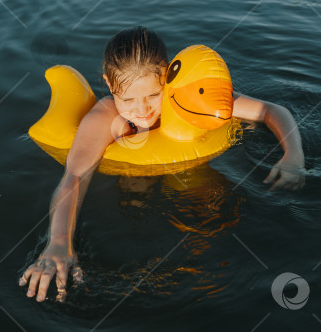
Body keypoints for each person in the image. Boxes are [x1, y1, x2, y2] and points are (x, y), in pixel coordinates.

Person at [18, 26, 306, 302]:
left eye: (153, 95)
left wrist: (293, 157)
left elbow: (271, 110)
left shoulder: (187, 100)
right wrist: (58, 242)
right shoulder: (105, 117)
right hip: (135, 174)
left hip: (193, 172)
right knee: (136, 211)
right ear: (108, 84)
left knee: (208, 213)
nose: (141, 110)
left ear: (167, 78)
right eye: (128, 99)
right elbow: (75, 177)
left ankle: (206, 274)